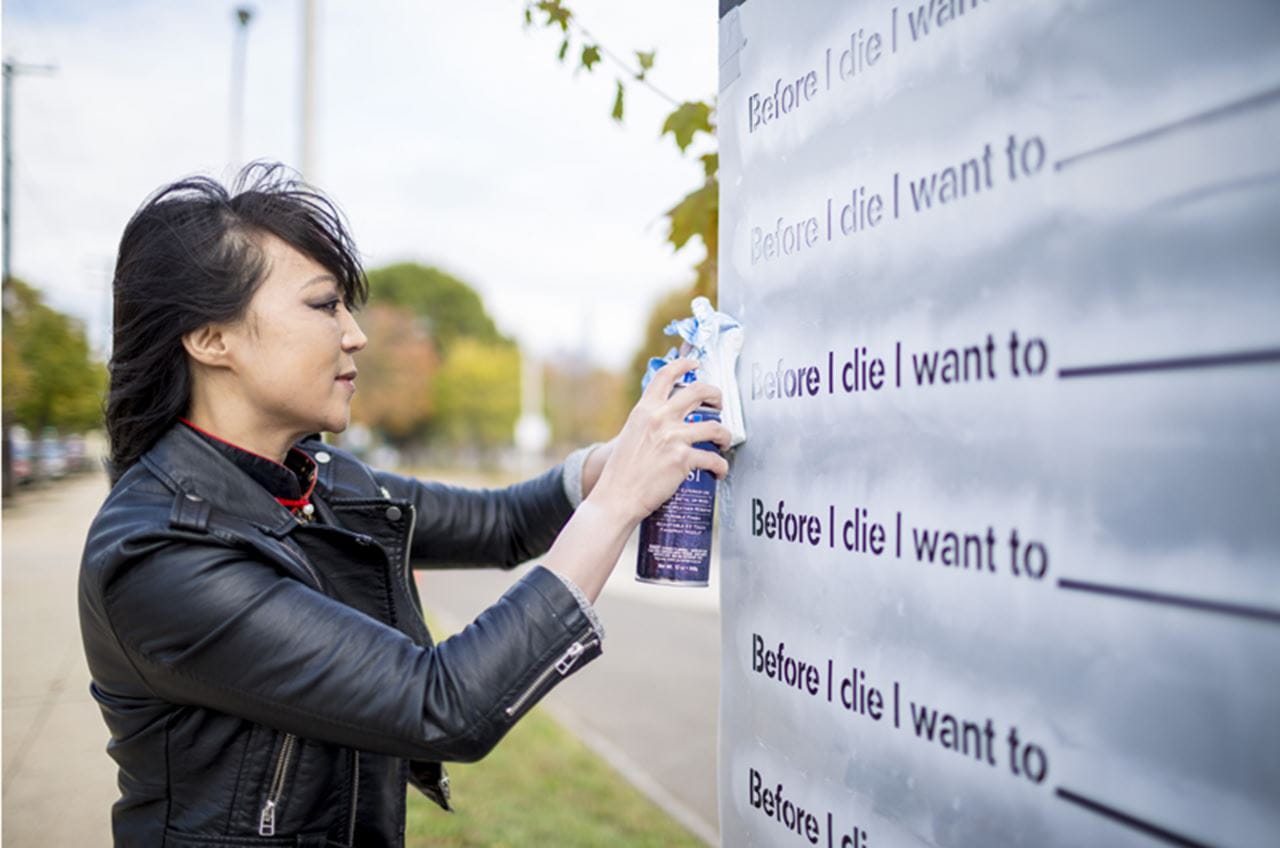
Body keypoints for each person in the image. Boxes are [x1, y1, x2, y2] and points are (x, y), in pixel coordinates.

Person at [78, 163, 731, 847]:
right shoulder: (162, 553)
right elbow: (442, 705)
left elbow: (503, 522)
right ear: (212, 338)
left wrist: (617, 458)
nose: (355, 334)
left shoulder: (320, 477)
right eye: (324, 305)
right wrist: (620, 501)